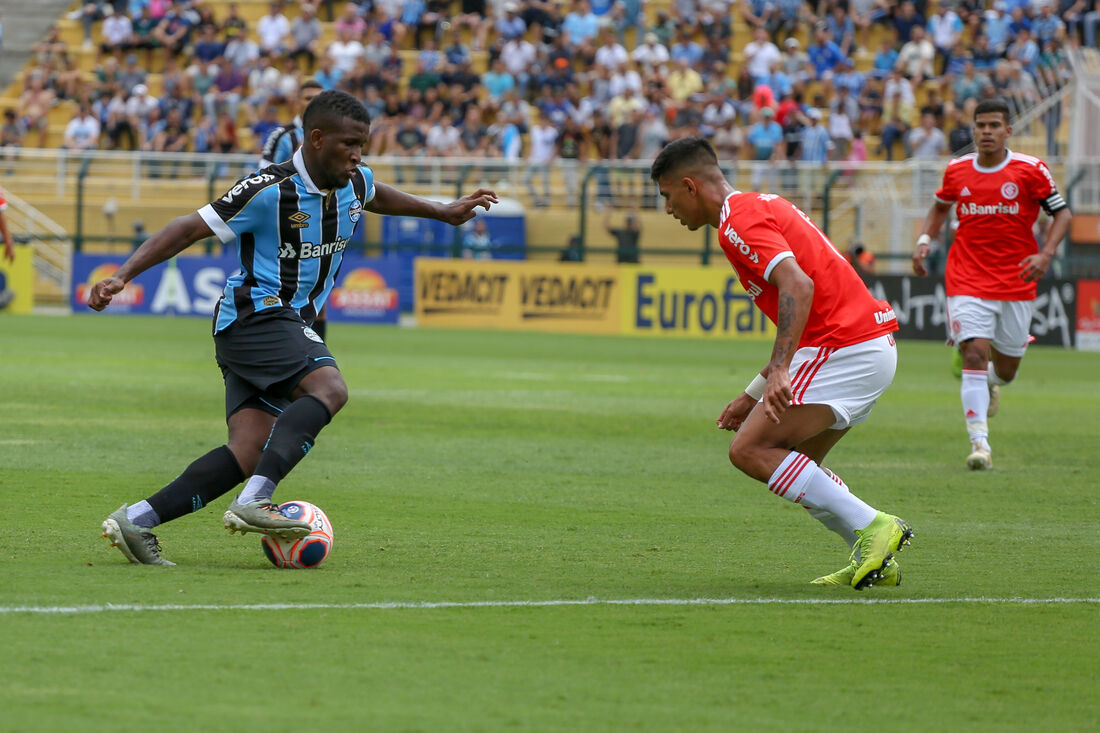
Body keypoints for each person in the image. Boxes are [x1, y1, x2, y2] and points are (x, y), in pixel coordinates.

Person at [91, 90, 498, 565]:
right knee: (330, 389)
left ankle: (136, 520)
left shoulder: (354, 182)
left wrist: (442, 210)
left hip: (278, 324)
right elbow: (188, 228)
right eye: (348, 144)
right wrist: (122, 275)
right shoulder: (268, 189)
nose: (357, 155)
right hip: (255, 315)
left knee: (248, 449)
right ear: (316, 138)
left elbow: (378, 193)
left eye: (363, 145)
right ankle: (254, 502)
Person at [650, 136, 912, 590]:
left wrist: (782, 369)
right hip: (863, 345)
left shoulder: (738, 222)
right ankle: (873, 556)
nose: (668, 210)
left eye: (667, 196)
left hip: (844, 344)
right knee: (795, 465)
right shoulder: (754, 207)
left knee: (748, 450)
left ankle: (875, 526)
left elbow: (798, 285)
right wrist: (752, 392)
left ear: (689, 186)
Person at [912, 97, 1072, 471]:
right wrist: (923, 241)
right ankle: (979, 443)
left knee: (1008, 370)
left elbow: (1062, 213)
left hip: (1017, 281)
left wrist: (1046, 253)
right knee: (972, 353)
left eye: (994, 125)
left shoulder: (1031, 170)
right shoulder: (957, 171)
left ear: (1008, 131)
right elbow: (940, 207)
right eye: (980, 125)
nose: (986, 132)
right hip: (967, 276)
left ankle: (991, 382)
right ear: (974, 129)